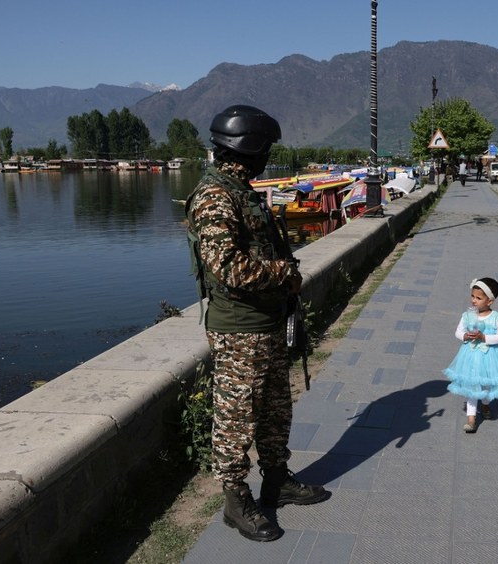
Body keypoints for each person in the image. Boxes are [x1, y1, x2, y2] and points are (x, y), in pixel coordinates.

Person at [185, 104, 328, 542]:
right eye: (265, 148)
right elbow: (227, 267)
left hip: (266, 321)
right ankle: (234, 498)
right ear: (249, 148)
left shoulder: (241, 190)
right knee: (237, 414)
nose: (267, 156)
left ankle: (277, 480)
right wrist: (285, 275)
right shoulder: (215, 196)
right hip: (239, 326)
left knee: (273, 408)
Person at [443, 278, 498, 433]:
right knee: (473, 386)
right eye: (473, 296)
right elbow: (458, 331)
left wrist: (484, 337)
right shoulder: (467, 315)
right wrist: (465, 336)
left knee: (487, 385)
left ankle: (485, 404)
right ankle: (471, 419)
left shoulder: (496, 317)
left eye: (479, 298)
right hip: (471, 355)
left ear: (490, 301)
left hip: (490, 356)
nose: (474, 301)